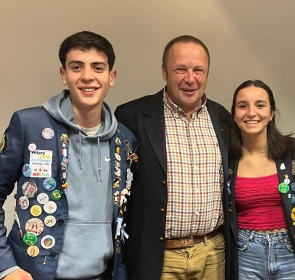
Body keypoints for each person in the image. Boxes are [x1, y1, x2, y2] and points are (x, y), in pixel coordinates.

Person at [0, 31, 138, 280]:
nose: (88, 77)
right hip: (35, 274)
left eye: (98, 67)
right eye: (77, 67)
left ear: (111, 77)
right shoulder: (29, 125)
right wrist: (6, 266)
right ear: (64, 74)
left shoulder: (124, 140)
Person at [114, 35, 235, 279]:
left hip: (213, 253)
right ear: (164, 71)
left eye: (198, 70)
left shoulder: (223, 119)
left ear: (207, 73)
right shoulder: (132, 116)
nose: (190, 79)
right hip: (160, 257)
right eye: (180, 69)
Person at [227, 80, 295, 280]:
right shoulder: (225, 159)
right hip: (246, 252)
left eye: (260, 105)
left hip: (292, 248)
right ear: (234, 114)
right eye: (243, 106)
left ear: (271, 113)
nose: (252, 113)